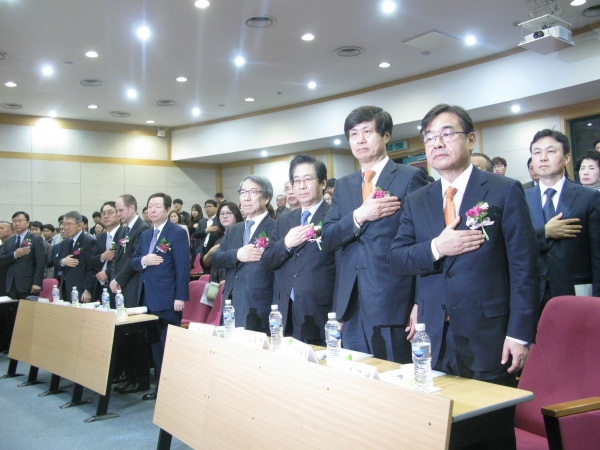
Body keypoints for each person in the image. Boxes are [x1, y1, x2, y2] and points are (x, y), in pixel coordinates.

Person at [389, 104, 540, 392]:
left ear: (471, 140)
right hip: (433, 335)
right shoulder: (417, 199)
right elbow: (397, 258)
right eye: (430, 137)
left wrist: (519, 335)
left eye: (447, 134)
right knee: (439, 428)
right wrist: (437, 247)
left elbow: (525, 268)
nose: (438, 143)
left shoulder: (503, 190)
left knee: (490, 428)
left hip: (489, 334)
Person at [321, 105, 428, 363]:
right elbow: (328, 238)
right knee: (357, 381)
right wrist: (359, 215)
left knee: (393, 383)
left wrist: (419, 303)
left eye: (367, 131)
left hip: (393, 302)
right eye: (353, 134)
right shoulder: (344, 184)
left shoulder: (410, 178)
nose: (360, 139)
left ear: (386, 136)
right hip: (351, 305)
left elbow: (422, 243)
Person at [263, 154, 335, 345]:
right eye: (297, 181)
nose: (302, 186)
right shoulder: (285, 220)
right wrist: (286, 243)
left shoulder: (334, 216)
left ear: (323, 183)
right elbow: (268, 260)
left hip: (321, 310)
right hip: (287, 309)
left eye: (308, 179)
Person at [525, 130, 600, 310]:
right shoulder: (520, 198)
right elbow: (514, 244)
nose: (543, 158)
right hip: (533, 292)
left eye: (551, 151)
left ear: (566, 158)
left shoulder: (588, 197)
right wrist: (545, 232)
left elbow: (597, 254)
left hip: (576, 291)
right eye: (537, 152)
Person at [131, 193, 189, 401]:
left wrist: (180, 296)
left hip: (168, 298)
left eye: (157, 206)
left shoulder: (177, 232)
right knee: (154, 344)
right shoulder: (146, 234)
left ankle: (173, 388)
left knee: (168, 344)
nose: (152, 210)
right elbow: (134, 261)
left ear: (167, 210)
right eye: (150, 207)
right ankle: (160, 388)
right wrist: (144, 260)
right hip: (148, 297)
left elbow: (183, 267)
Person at [212, 175, 276, 333]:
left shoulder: (276, 227)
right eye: (243, 192)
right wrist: (237, 254)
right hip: (231, 304)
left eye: (253, 192)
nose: (246, 198)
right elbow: (216, 259)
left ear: (266, 197)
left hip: (259, 306)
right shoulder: (234, 229)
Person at [110, 194, 151, 394]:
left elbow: (133, 261)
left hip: (134, 286)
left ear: (132, 208)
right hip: (122, 287)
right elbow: (116, 259)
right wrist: (114, 278)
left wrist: (119, 279)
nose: (118, 214)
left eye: (120, 210)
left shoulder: (142, 229)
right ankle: (128, 374)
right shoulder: (124, 230)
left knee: (136, 335)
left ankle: (140, 378)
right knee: (125, 335)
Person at [0, 212, 46, 299]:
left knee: (28, 311)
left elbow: (41, 263)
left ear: (27, 223)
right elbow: (1, 259)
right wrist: (14, 255)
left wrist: (37, 283)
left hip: (28, 284)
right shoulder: (9, 241)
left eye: (20, 221)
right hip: (11, 284)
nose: (17, 224)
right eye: (14, 221)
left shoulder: (35, 239)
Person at [57, 211, 98, 302]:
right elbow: (56, 262)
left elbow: (93, 268)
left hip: (81, 290)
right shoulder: (64, 243)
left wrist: (88, 290)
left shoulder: (89, 242)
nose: (66, 227)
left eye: (70, 224)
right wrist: (62, 262)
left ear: (79, 225)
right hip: (65, 288)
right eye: (64, 224)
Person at [201, 202, 243, 282]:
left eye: (229, 213)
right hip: (214, 281)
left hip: (233, 281)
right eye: (222, 214)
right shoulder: (215, 236)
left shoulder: (242, 234)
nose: (225, 216)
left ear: (236, 215)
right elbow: (205, 264)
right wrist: (211, 252)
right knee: (211, 295)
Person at [91, 202, 120, 301]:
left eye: (110, 212)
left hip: (118, 285)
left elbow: (125, 261)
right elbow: (91, 260)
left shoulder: (124, 234)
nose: (106, 216)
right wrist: (102, 257)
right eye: (103, 213)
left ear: (118, 214)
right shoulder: (101, 238)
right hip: (100, 286)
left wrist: (107, 273)